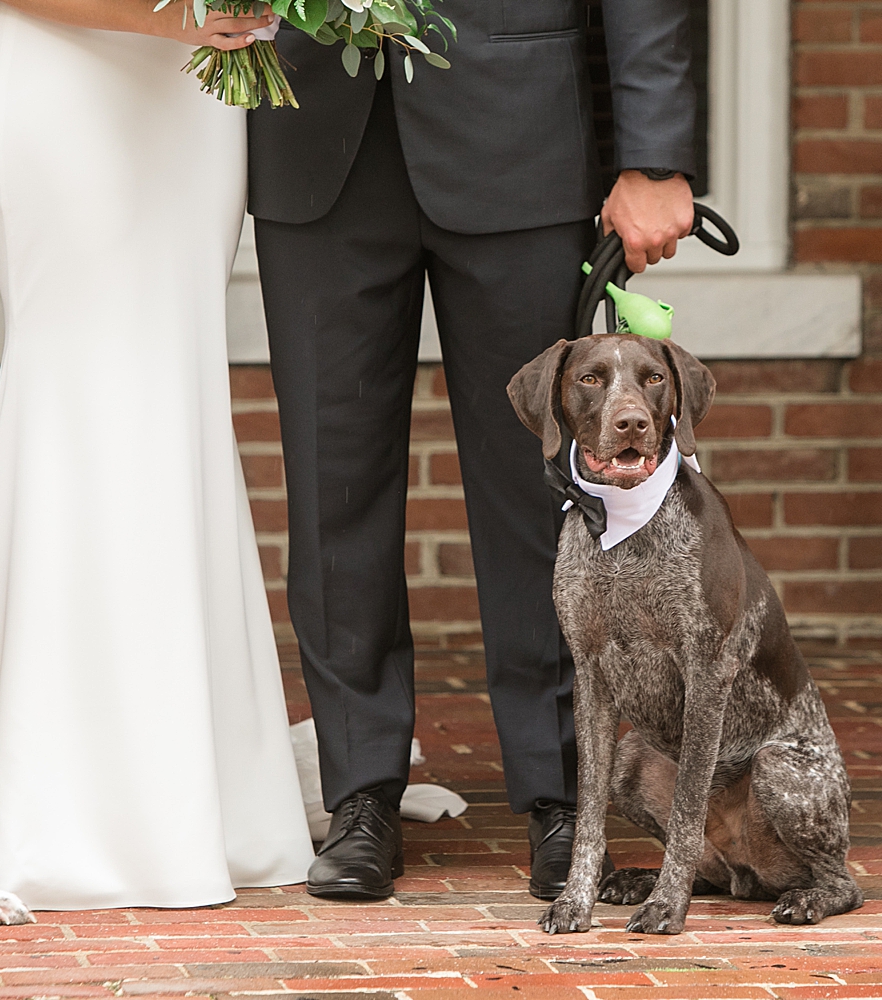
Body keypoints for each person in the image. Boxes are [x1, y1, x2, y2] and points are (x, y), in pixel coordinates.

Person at [0, 0, 315, 910]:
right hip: (59, 82)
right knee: (80, 402)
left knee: (173, 390)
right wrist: (179, 14)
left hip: (194, 95)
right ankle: (56, 805)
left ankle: (207, 801)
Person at [248, 1, 697, 901]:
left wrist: (654, 156)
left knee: (541, 494)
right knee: (333, 490)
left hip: (518, 134)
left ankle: (563, 796)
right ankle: (361, 790)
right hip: (314, 134)